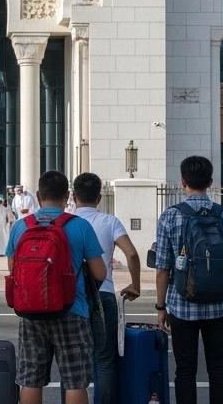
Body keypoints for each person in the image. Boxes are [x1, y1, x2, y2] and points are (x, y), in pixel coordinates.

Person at [154, 156, 223, 404]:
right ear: (210, 182)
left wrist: (161, 307)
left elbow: (162, 268)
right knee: (218, 369)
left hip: (182, 306)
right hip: (219, 306)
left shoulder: (170, 216)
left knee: (185, 370)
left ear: (182, 181)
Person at [6, 170, 107, 404]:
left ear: (38, 195)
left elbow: (13, 270)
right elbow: (100, 272)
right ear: (67, 196)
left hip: (31, 312)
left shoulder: (21, 227)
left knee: (30, 380)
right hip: (73, 309)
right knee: (75, 382)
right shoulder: (80, 226)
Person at [71, 172, 142, 404]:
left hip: (73, 298)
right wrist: (135, 284)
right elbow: (132, 254)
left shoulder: (66, 221)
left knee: (71, 362)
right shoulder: (110, 222)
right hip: (104, 294)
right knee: (105, 361)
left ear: (73, 196)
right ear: (99, 197)